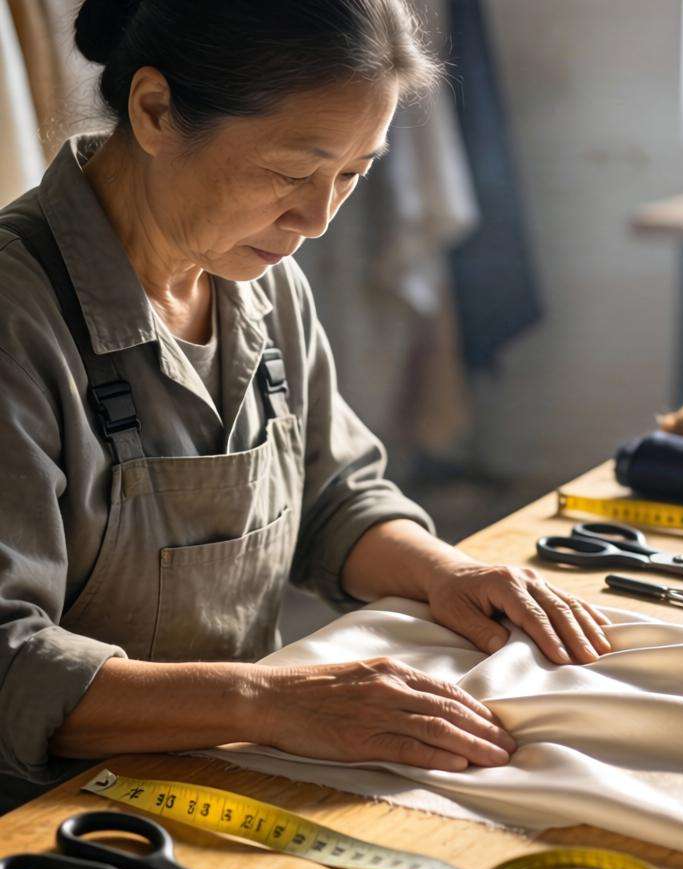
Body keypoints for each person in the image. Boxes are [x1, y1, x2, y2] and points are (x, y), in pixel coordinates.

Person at [0, 0, 612, 809]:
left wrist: (449, 573)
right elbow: (8, 662)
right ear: (154, 111)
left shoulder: (260, 281)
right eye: (290, 173)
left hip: (209, 771)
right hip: (44, 814)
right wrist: (269, 703)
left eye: (354, 175)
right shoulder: (18, 315)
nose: (318, 219)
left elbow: (330, 494)